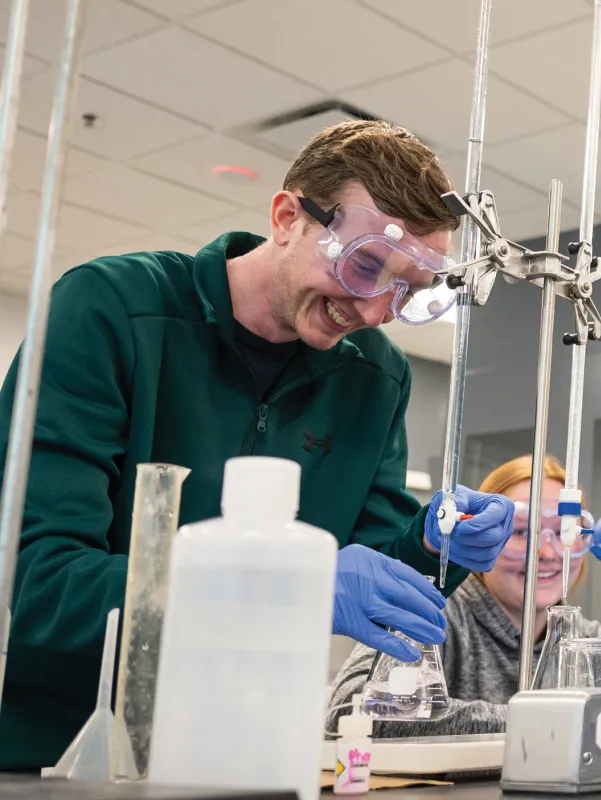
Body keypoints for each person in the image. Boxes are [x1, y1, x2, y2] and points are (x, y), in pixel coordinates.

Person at [0, 120, 520, 769]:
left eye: (408, 292)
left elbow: (370, 568)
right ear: (286, 216)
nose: (371, 311)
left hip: (242, 746)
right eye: (363, 265)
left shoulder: (375, 376)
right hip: (53, 751)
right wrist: (286, 584)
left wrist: (433, 544)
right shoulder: (111, 312)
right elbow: (39, 584)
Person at [327, 454, 601, 736]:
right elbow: (353, 713)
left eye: (563, 533)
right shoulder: (434, 613)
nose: (545, 553)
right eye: (521, 532)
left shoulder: (584, 641)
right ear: (476, 537)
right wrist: (555, 721)